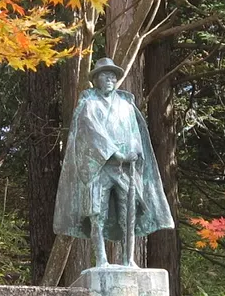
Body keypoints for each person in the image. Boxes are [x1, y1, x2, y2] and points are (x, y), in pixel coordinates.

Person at [54, 57, 174, 267]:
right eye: (104, 75)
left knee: (128, 213)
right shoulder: (88, 105)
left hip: (125, 169)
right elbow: (91, 132)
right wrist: (115, 153)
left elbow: (135, 134)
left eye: (112, 76)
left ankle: (130, 259)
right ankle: (101, 259)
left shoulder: (126, 106)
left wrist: (135, 151)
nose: (109, 79)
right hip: (98, 168)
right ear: (96, 79)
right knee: (96, 214)